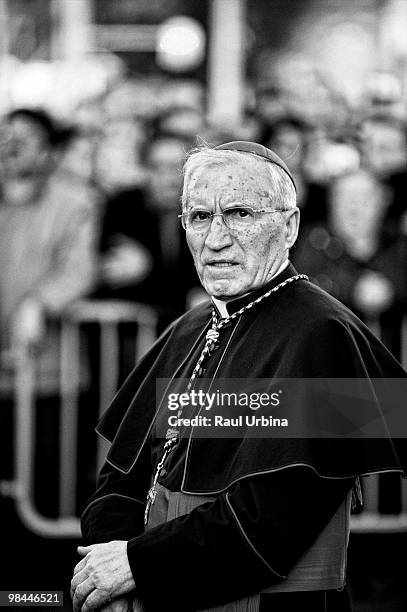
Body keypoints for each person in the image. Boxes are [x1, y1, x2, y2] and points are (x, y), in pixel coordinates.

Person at [71, 141, 406, 612]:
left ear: (289, 227)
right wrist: (111, 566)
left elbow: (274, 521)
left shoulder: (324, 335)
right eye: (199, 216)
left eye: (241, 213)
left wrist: (136, 565)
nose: (216, 238)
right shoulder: (188, 328)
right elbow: (122, 477)